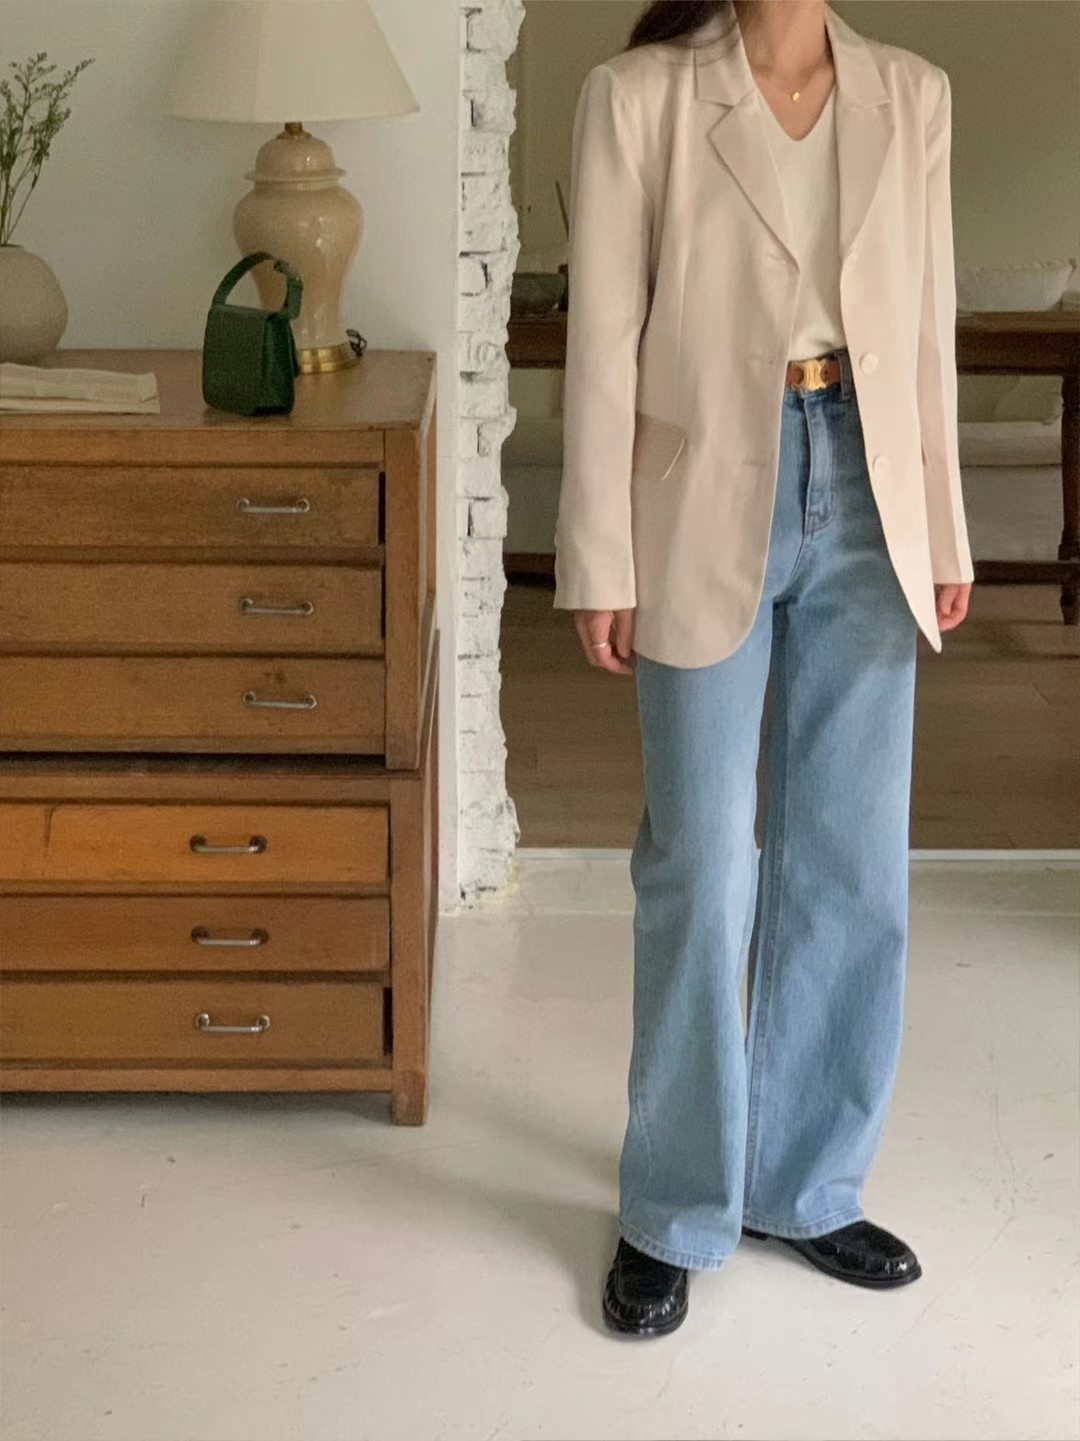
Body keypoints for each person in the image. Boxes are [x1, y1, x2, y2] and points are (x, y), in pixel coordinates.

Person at [553, 0, 974, 1338]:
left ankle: (807, 1184)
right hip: (697, 493)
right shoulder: (639, 97)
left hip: (870, 487)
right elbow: (602, 335)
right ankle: (673, 1207)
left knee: (852, 856)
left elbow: (928, 328)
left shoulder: (912, 93)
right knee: (701, 861)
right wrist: (597, 555)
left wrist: (945, 526)